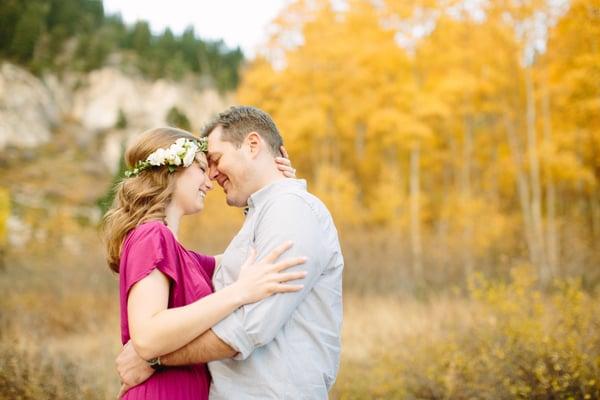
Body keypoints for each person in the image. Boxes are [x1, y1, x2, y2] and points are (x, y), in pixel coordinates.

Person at [117, 106, 344, 399]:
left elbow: (248, 327)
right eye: (203, 165)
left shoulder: (292, 209)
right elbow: (227, 270)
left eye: (215, 159)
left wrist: (154, 357)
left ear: (252, 145)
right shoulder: (263, 218)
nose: (211, 175)